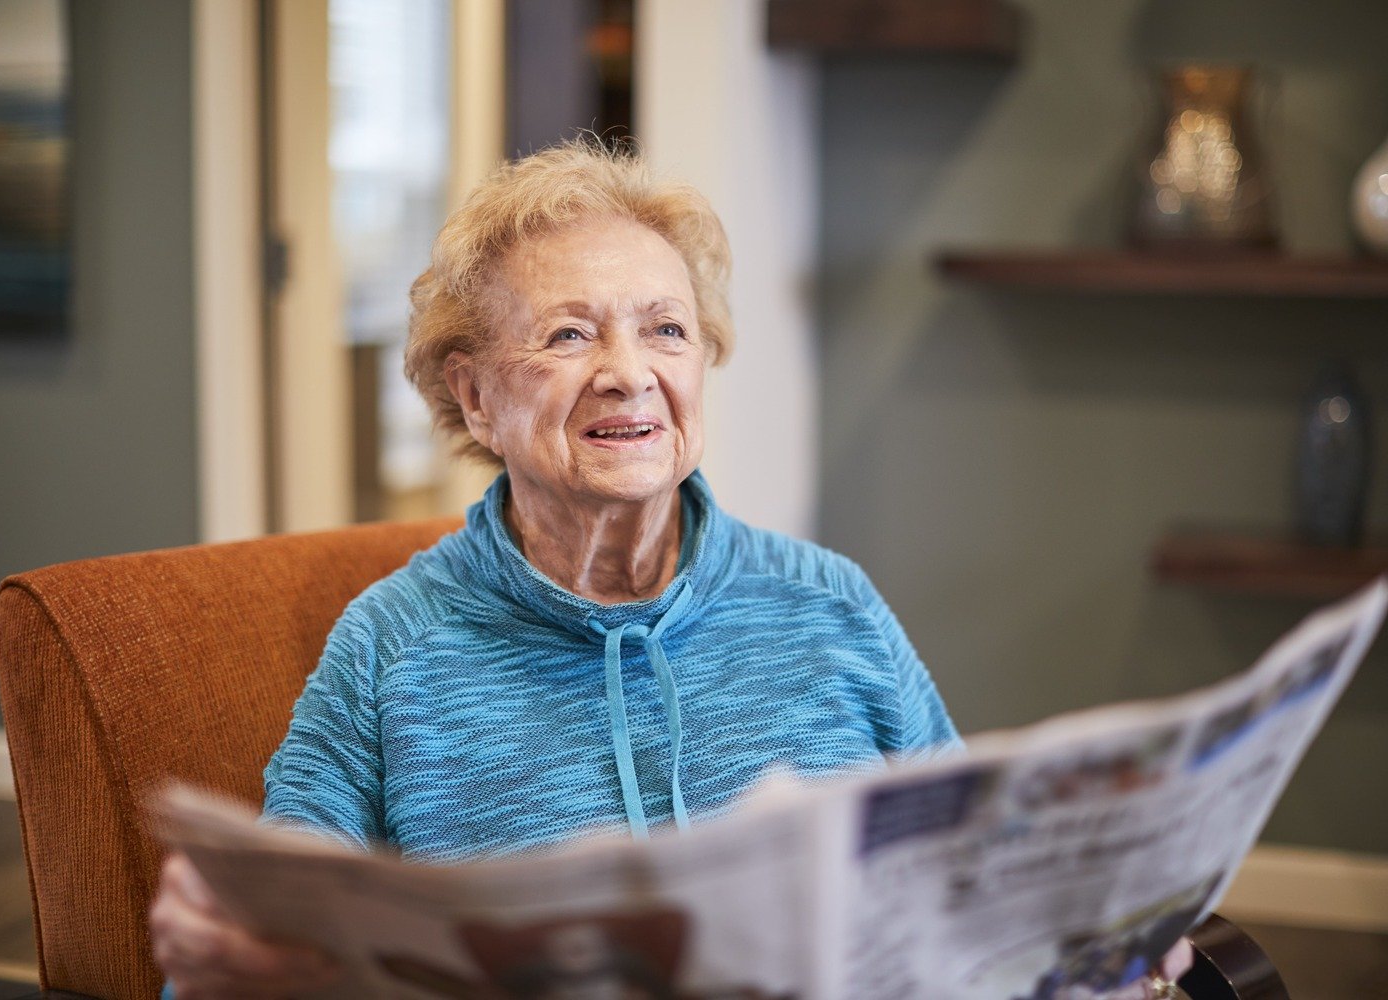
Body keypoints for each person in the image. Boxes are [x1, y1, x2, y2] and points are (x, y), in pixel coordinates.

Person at [149, 141, 962, 998]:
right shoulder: (391, 648)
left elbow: (964, 886)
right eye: (569, 334)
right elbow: (269, 933)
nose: (628, 374)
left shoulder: (830, 604)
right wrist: (224, 957)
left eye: (666, 330)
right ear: (474, 398)